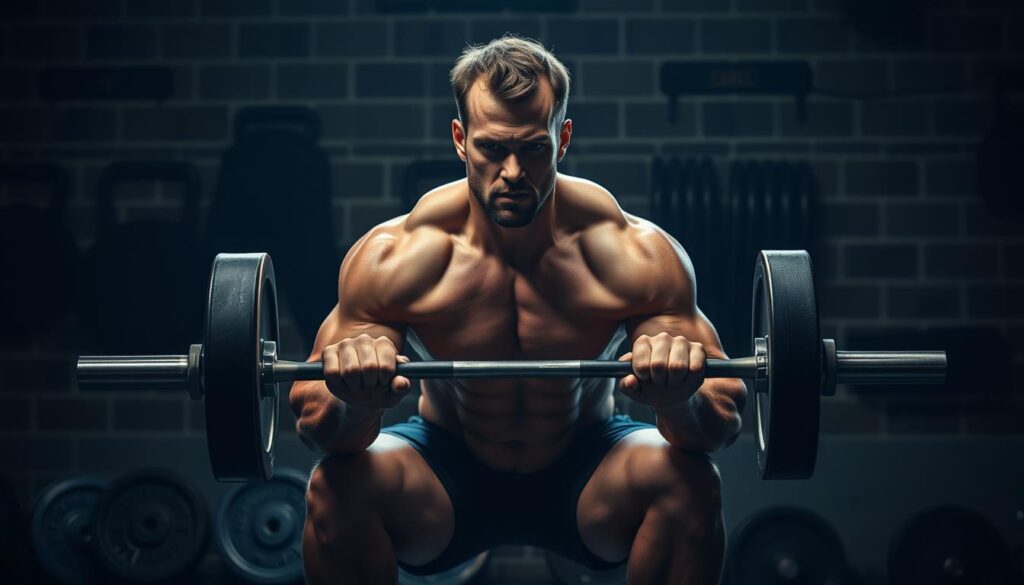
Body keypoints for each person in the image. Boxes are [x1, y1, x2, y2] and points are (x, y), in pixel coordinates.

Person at [289, 35, 746, 585]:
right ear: (460, 140)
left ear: (564, 138)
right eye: (491, 148)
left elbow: (721, 421)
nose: (512, 171)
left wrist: (681, 401)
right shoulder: (397, 257)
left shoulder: (632, 253)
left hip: (589, 465)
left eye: (533, 148)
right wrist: (356, 405)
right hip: (444, 469)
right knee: (336, 485)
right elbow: (317, 425)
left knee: (691, 480)